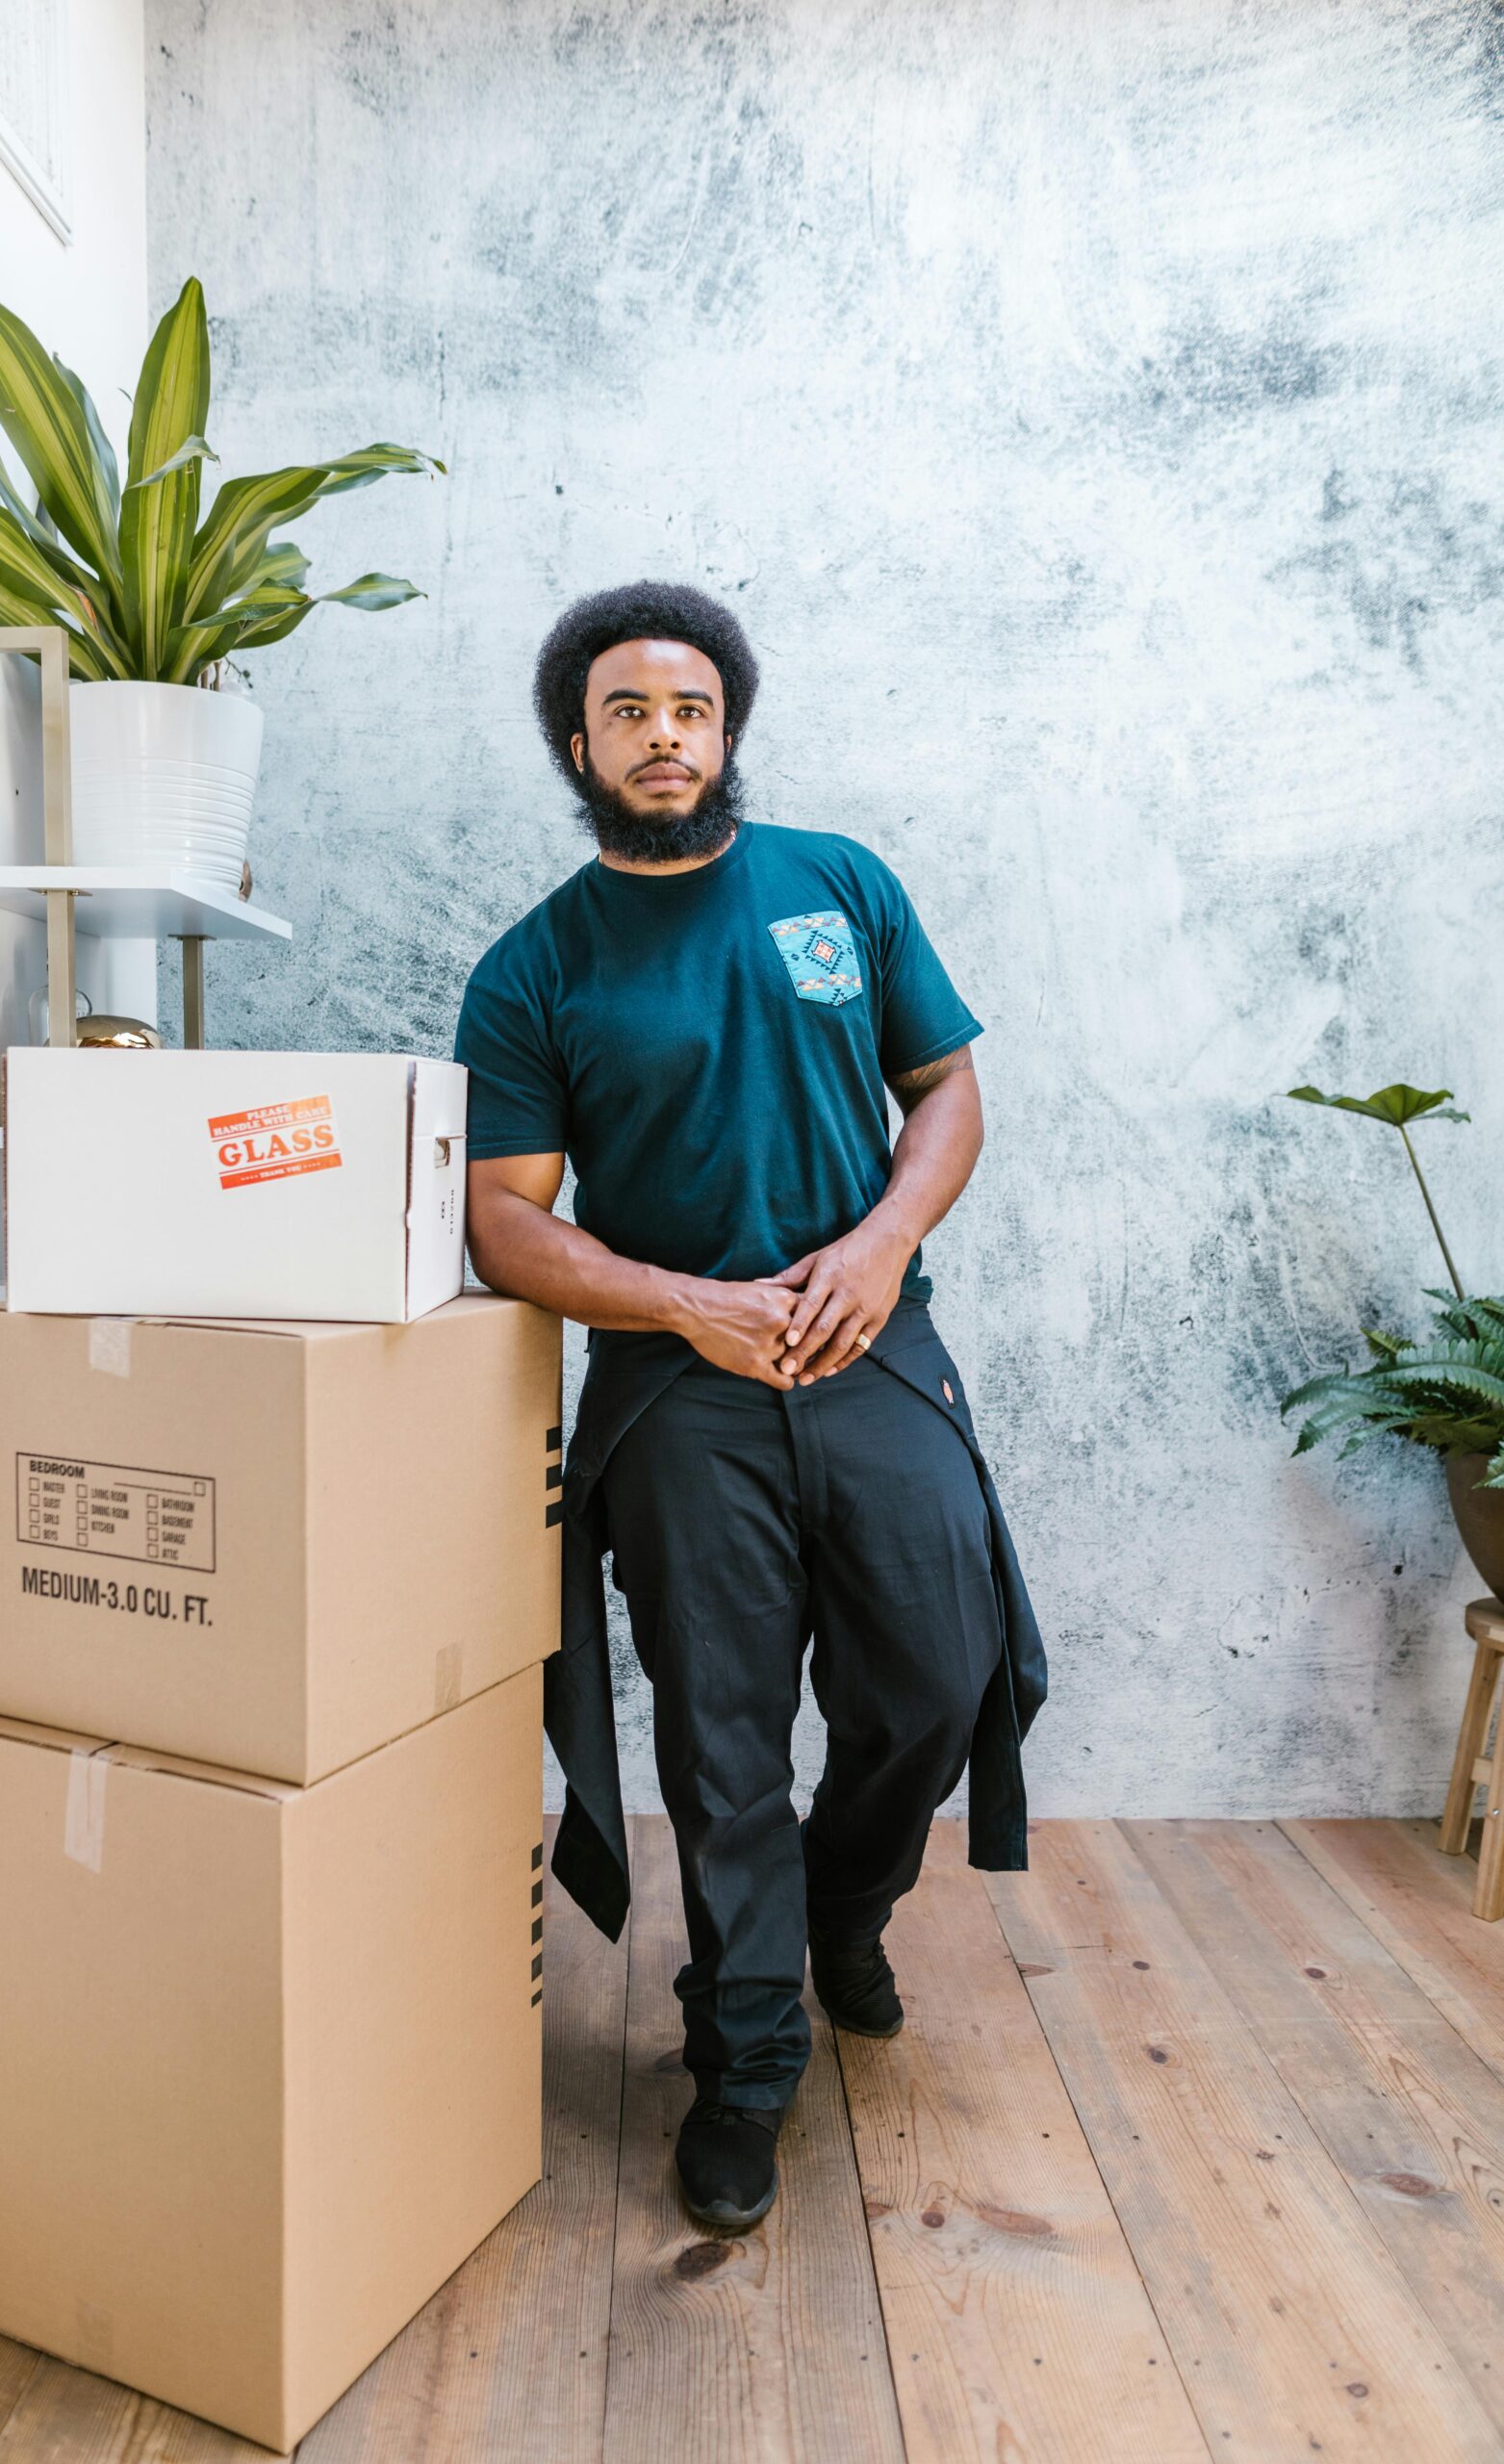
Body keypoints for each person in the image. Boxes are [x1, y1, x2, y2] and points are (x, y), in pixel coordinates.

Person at [454, 581, 1043, 2232]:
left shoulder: (838, 885)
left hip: (871, 1347)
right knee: (721, 1745)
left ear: (729, 732)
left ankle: (846, 1907)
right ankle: (747, 2062)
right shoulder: (533, 969)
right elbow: (507, 1216)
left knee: (936, 1675)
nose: (665, 735)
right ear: (580, 740)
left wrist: (879, 1241)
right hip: (678, 1390)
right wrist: (685, 1304)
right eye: (630, 711)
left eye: (692, 710)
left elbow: (947, 1092)